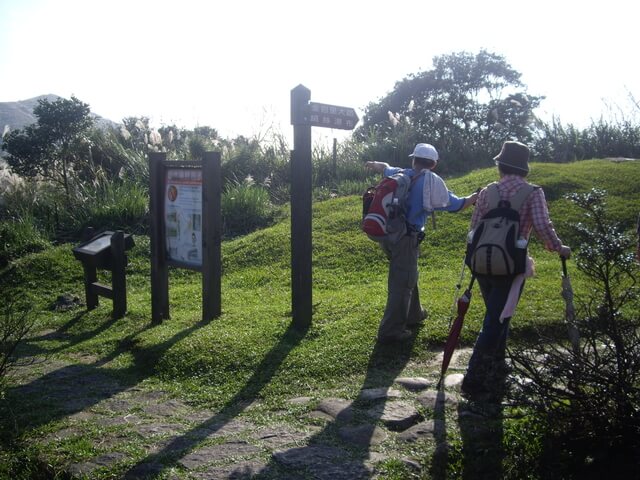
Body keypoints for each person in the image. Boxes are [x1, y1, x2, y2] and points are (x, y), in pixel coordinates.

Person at [461, 140, 571, 398]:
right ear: (524, 168)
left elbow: (474, 228)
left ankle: (497, 369)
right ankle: (473, 379)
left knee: (499, 315)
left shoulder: (488, 191)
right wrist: (558, 247)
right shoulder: (532, 192)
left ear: (500, 165)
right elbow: (543, 226)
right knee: (496, 319)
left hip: (481, 263)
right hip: (511, 266)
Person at [366, 143, 478, 344]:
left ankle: (414, 314)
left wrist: (375, 164)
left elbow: (385, 167)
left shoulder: (402, 173)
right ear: (433, 164)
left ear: (413, 160)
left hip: (389, 235)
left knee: (408, 274)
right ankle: (391, 332)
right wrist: (475, 197)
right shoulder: (431, 181)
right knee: (403, 282)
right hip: (406, 238)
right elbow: (457, 205)